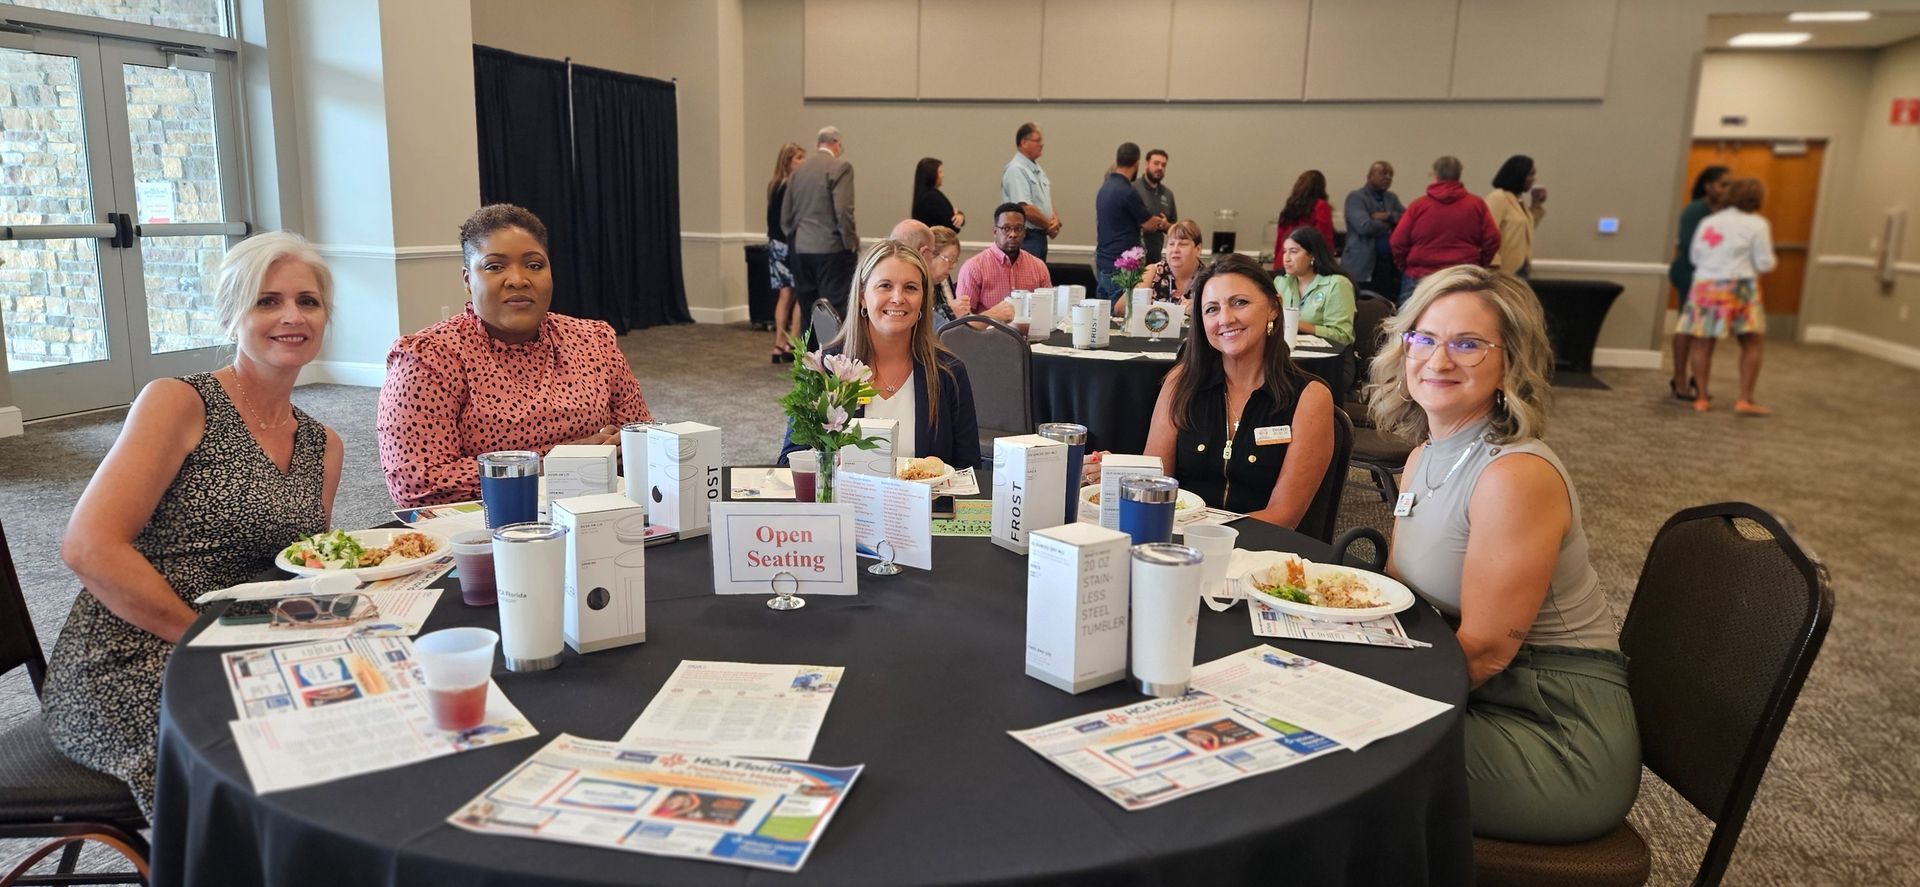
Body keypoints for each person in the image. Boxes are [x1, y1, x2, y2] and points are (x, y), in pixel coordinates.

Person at [41, 231, 346, 817]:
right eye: (267, 301)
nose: (291, 316)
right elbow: (89, 546)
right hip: (138, 652)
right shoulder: (180, 403)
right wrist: (200, 640)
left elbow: (299, 572)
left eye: (308, 301)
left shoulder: (322, 444)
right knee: (273, 750)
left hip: (245, 639)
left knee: (370, 700)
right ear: (232, 314)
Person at [1367, 265, 1637, 843]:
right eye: (1425, 337)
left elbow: (1487, 652)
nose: (1438, 361)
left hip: (1553, 728)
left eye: (1468, 344)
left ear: (1509, 363)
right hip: (1476, 694)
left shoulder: (1515, 475)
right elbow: (1401, 598)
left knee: (1336, 756)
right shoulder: (1423, 458)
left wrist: (1366, 698)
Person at [377, 204, 653, 508]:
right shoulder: (429, 358)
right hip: (489, 524)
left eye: (534, 265)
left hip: (598, 512)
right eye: (495, 267)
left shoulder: (594, 341)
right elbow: (417, 483)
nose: (519, 280)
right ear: (468, 279)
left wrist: (625, 447)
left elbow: (644, 438)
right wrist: (558, 463)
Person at [1145, 253, 1335, 529]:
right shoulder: (1180, 384)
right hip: (1182, 549)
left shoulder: (1310, 397)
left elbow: (1283, 517)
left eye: (1240, 303)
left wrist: (1203, 533)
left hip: (1265, 555)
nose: (1225, 319)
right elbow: (1155, 484)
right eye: (1211, 309)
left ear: (1273, 307)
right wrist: (1113, 471)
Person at [779, 240, 981, 468]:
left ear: (923, 300)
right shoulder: (824, 369)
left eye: (911, 288)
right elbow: (789, 462)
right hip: (845, 502)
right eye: (885, 286)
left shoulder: (949, 373)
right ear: (863, 296)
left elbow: (967, 470)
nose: (898, 298)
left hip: (926, 503)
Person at [1680, 178, 1776, 416]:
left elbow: (1694, 256)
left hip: (1705, 285)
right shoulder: (1757, 224)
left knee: (1702, 342)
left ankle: (1701, 398)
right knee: (1752, 341)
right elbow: (1764, 262)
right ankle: (1744, 399)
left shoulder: (1708, 222)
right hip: (1739, 286)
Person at [782, 126, 859, 340]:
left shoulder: (798, 171)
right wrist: (849, 242)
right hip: (831, 250)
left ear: (818, 144)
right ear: (836, 143)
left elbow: (785, 217)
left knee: (808, 311)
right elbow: (843, 211)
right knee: (834, 312)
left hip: (801, 250)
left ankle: (809, 365)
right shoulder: (841, 167)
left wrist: (796, 241)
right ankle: (833, 364)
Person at [1391, 156, 1500, 304]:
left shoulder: (1418, 205)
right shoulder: (1476, 205)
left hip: (1420, 275)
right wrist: (1479, 263)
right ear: (1459, 174)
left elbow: (1397, 241)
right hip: (1463, 275)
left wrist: (1407, 266)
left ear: (1435, 175)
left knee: (1411, 321)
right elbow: (1493, 239)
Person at [1667, 165, 1730, 402]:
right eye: (1723, 184)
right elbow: (1688, 244)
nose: (1727, 189)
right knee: (1688, 327)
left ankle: (1699, 378)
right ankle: (1680, 379)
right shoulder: (1695, 211)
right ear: (1709, 186)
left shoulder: (1726, 213)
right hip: (1690, 274)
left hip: (1717, 277)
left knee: (1709, 331)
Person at [954, 203, 1053, 323]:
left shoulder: (1038, 267)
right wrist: (992, 316)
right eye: (1006, 228)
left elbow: (1049, 311)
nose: (1013, 234)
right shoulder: (974, 267)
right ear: (995, 232)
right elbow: (963, 320)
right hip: (986, 338)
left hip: (1031, 337)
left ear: (1025, 232)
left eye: (1018, 228)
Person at [1095, 142, 1168, 301]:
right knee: (1121, 317)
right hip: (1122, 269)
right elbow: (1148, 224)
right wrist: (1159, 222)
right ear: (1137, 163)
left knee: (1103, 317)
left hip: (1103, 265)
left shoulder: (1103, 189)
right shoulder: (1128, 192)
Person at [1277, 226, 1356, 347]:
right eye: (1284, 251)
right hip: (1287, 353)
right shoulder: (1281, 282)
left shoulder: (1337, 284)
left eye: (1293, 251)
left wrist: (1296, 324)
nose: (1286, 258)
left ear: (1312, 255)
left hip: (1327, 359)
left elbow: (1343, 336)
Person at [1340, 161, 1405, 297]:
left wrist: (1387, 216)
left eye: (1390, 175)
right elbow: (1365, 227)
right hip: (1362, 263)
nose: (1387, 178)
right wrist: (1391, 223)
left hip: (1387, 263)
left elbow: (1404, 220)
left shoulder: (1391, 198)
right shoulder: (1356, 197)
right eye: (1383, 173)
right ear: (1369, 176)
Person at [766, 141, 806, 362]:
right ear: (788, 160)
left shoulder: (773, 184)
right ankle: (792, 342)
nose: (803, 162)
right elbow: (789, 220)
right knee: (800, 293)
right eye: (799, 157)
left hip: (774, 244)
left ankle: (778, 343)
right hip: (789, 245)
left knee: (784, 295)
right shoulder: (791, 185)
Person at [1001, 122, 1059, 260]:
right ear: (1024, 142)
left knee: (1038, 280)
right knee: (1027, 280)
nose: (1042, 144)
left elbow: (1045, 199)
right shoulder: (1017, 170)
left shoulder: (1036, 169)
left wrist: (1055, 220)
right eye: (1038, 140)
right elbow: (1024, 208)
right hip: (1026, 238)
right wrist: (1048, 226)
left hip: (1039, 236)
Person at [1486, 154, 1547, 280]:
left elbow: (1525, 229)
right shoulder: (1498, 197)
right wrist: (1493, 266)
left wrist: (1536, 205)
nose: (1533, 179)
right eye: (1530, 175)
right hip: (1501, 271)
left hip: (1521, 268)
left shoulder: (1517, 200)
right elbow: (1487, 234)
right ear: (1518, 175)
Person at [1274, 170, 1335, 268]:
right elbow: (1323, 238)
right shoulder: (1321, 206)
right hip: (1306, 262)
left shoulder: (1289, 207)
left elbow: (1279, 240)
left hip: (1284, 259)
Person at [1140, 219, 1205, 305]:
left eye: (1182, 244)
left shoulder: (1209, 278)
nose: (1175, 250)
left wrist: (1199, 309)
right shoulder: (1152, 272)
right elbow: (1120, 309)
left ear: (1198, 249)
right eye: (1171, 244)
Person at [1134, 148, 1178, 263]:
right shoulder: (1133, 188)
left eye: (1163, 165)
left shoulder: (1168, 194)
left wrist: (1165, 225)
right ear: (1146, 164)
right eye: (1156, 163)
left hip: (1155, 259)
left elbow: (1174, 228)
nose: (1160, 168)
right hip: (1132, 260)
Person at [911, 157, 964, 232]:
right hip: (937, 242)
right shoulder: (931, 197)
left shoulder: (923, 194)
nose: (943, 175)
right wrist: (959, 216)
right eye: (940, 172)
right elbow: (952, 226)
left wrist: (960, 215)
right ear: (931, 174)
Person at [928, 225, 962, 323]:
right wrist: (950, 311)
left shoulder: (943, 281)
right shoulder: (916, 286)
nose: (952, 266)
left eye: (955, 261)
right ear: (930, 255)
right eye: (949, 259)